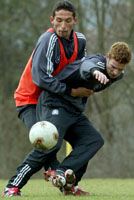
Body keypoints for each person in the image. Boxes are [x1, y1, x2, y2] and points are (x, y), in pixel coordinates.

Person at [2, 0, 90, 197]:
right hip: (29, 100)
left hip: (53, 99)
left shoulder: (80, 40)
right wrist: (71, 92)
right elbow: (41, 78)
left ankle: (62, 180)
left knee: (77, 142)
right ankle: (12, 186)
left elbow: (80, 71)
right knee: (47, 143)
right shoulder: (48, 40)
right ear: (52, 20)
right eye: (59, 20)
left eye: (68, 21)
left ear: (75, 20)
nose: (63, 25)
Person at [35, 41, 131, 195]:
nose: (115, 72)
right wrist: (95, 72)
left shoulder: (118, 75)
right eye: (113, 67)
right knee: (51, 143)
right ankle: (18, 184)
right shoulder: (97, 63)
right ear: (107, 57)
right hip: (54, 101)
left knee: (93, 140)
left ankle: (68, 185)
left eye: (120, 69)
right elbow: (86, 66)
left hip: (73, 109)